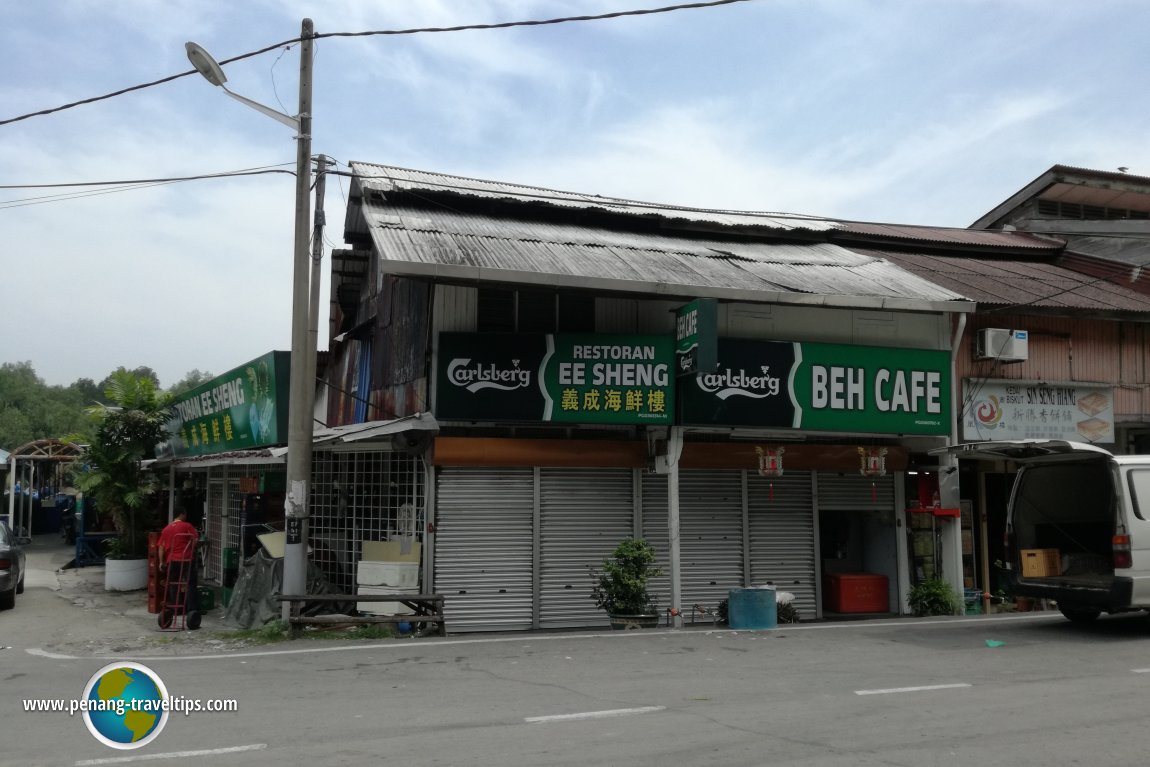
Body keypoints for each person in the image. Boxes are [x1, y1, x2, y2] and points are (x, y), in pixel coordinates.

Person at [157, 509, 200, 626]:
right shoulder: (187, 526)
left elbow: (161, 547)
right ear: (182, 514)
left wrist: (161, 562)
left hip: (172, 560)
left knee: (172, 583)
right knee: (190, 583)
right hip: (186, 559)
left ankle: (176, 608)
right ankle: (191, 609)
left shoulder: (166, 529)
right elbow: (195, 540)